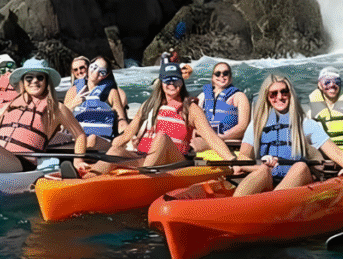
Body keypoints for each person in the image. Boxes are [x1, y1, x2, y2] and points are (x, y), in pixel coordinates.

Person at [231, 73, 343, 199]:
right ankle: (234, 207)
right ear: (267, 97)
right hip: (269, 177)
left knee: (300, 166)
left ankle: (269, 205)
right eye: (273, 94)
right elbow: (243, 157)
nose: (279, 97)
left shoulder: (305, 123)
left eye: (284, 92)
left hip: (298, 179)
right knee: (262, 171)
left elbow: (337, 154)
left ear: (290, 94)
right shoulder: (257, 124)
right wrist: (262, 165)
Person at [81, 62, 243, 177]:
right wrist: (104, 152)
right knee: (116, 150)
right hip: (145, 158)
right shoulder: (149, 105)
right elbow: (126, 135)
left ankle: (141, 179)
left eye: (175, 80)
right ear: (161, 82)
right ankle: (89, 179)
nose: (171, 84)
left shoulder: (191, 109)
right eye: (167, 80)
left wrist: (231, 160)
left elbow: (212, 138)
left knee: (161, 137)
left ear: (181, 82)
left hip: (174, 162)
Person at [62, 56, 129, 154]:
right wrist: (73, 103)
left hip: (100, 140)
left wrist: (130, 135)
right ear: (89, 67)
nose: (96, 72)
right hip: (75, 138)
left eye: (102, 72)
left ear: (106, 75)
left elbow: (121, 120)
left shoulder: (111, 92)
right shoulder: (73, 91)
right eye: (94, 67)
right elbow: (60, 116)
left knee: (92, 139)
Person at [191, 62, 250, 154]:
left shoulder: (239, 97)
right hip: (205, 146)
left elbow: (243, 126)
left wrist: (219, 138)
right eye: (217, 74)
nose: (221, 76)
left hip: (230, 146)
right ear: (212, 77)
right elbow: (193, 122)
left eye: (225, 73)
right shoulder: (202, 97)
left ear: (230, 77)